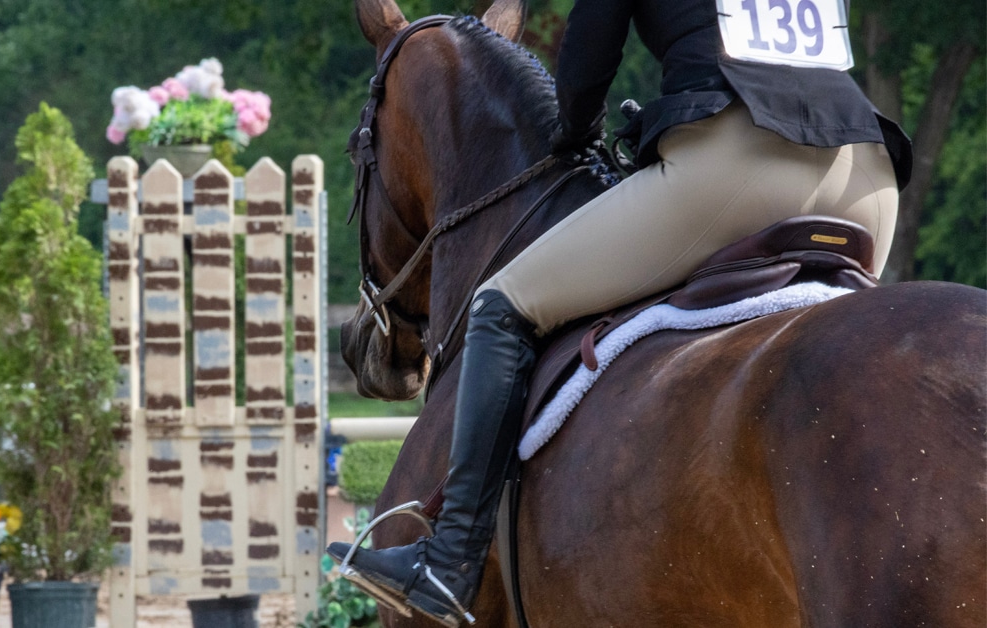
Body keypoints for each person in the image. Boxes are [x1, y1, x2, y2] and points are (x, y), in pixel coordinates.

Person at [327, 0, 912, 625]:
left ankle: (449, 563)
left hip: (742, 160)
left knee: (502, 302)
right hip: (868, 178)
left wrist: (575, 140)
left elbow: (586, 58)